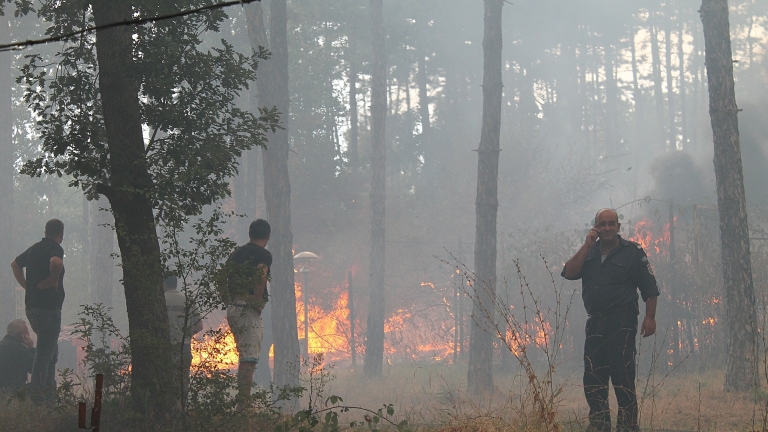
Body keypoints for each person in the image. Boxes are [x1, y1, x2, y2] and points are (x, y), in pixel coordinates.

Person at [561, 209, 659, 432]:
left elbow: (650, 288)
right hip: (595, 322)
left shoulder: (632, 252)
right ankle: (599, 424)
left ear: (618, 227)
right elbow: (568, 273)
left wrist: (650, 317)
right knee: (594, 376)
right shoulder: (590, 253)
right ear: (595, 227)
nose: (607, 228)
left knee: (622, 375)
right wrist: (586, 246)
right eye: (602, 224)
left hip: (622, 322)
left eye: (611, 224)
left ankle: (628, 426)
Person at [11, 218, 65, 405]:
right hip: (48, 309)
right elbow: (56, 262)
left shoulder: (34, 249)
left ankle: (49, 394)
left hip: (32, 308)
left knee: (51, 351)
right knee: (44, 354)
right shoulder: (55, 247)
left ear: (45, 231)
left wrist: (27, 286)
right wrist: (53, 278)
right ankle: (38, 398)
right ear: (61, 235)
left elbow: (15, 265)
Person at [224, 219, 271, 406]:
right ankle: (243, 406)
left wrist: (226, 299)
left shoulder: (235, 253)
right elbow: (261, 275)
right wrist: (257, 302)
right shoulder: (264, 255)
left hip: (234, 308)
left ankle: (243, 403)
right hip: (248, 311)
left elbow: (221, 277)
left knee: (245, 355)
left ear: (250, 234)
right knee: (248, 360)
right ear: (267, 236)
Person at [164, 275, 203, 393]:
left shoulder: (160, 301)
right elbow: (199, 326)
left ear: (164, 284)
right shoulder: (188, 300)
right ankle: (181, 408)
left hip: (166, 347)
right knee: (182, 382)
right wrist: (187, 334)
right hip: (184, 347)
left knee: (166, 383)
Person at [0, 320, 36, 394]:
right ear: (20, 335)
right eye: (27, 332)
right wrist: (31, 348)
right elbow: (34, 368)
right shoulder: (20, 349)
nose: (28, 335)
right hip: (15, 391)